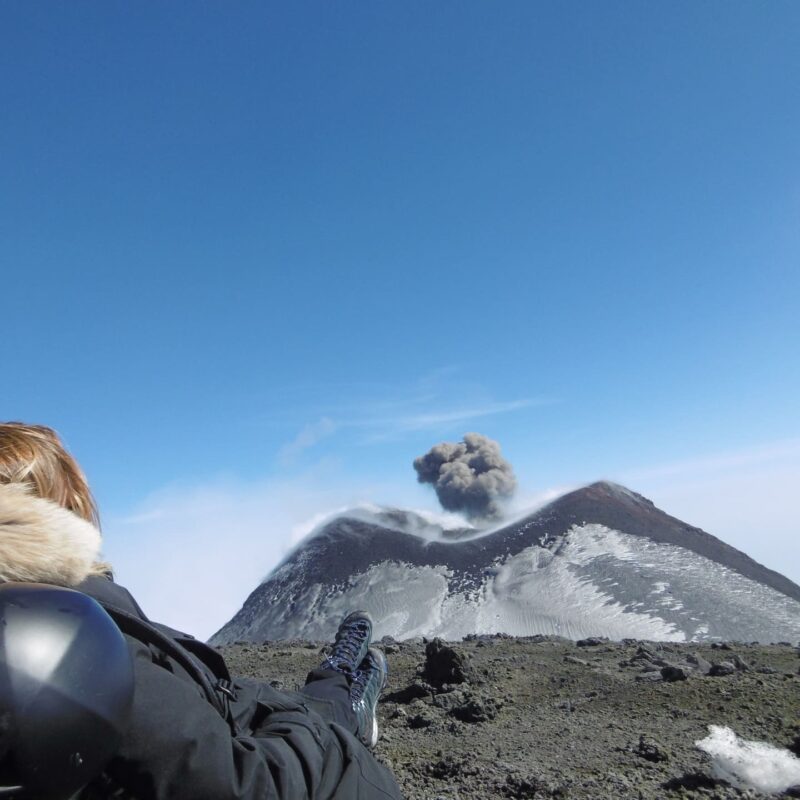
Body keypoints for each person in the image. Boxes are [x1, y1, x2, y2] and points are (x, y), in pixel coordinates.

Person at [0, 422, 404, 800]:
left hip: (223, 716)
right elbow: (245, 782)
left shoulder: (53, 612)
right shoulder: (66, 643)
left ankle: (337, 674)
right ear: (62, 507)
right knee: (315, 716)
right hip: (248, 746)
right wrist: (311, 728)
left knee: (308, 700)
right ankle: (348, 705)